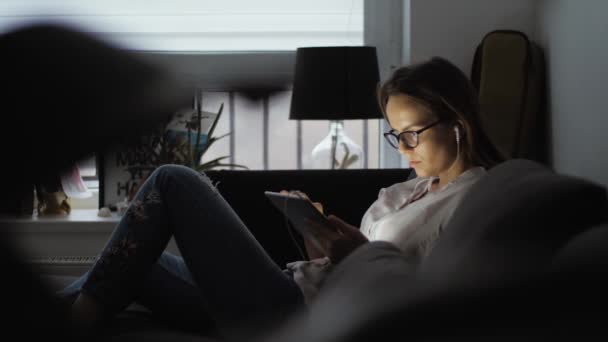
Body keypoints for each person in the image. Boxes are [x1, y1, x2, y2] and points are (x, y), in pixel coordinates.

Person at [60, 56, 504, 340]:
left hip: (295, 314)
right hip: (295, 285)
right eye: (394, 135)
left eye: (412, 134)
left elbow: (430, 302)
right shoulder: (409, 189)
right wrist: (320, 239)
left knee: (173, 180)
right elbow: (358, 263)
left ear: (458, 123)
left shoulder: (476, 201)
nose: (403, 148)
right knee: (142, 260)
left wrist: (356, 260)